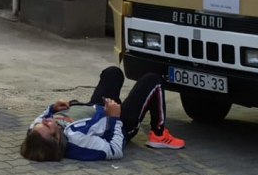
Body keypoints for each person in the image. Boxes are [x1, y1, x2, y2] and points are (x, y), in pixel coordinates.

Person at [20, 66, 186, 162]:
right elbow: (114, 150)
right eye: (47, 125)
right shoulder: (78, 143)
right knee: (152, 80)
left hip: (97, 107)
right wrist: (114, 118)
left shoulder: (36, 133)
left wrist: (53, 108)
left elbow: (39, 121)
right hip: (120, 122)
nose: (46, 121)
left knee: (112, 73)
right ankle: (158, 134)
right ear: (56, 138)